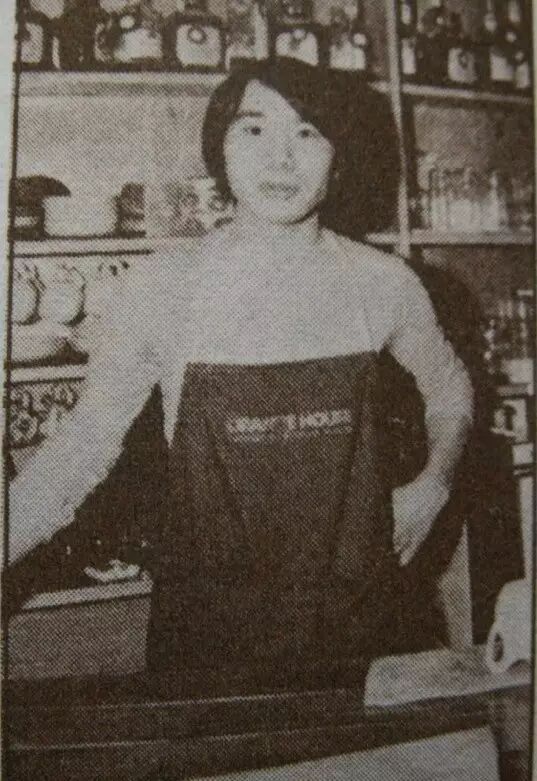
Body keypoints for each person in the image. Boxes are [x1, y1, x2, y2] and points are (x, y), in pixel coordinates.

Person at [7, 58, 499, 776]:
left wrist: (434, 482)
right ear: (221, 150)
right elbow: (80, 450)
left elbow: (451, 388)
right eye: (255, 130)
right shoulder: (162, 288)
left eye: (307, 133)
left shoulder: (381, 283)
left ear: (338, 157)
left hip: (364, 619)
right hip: (215, 630)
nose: (280, 158)